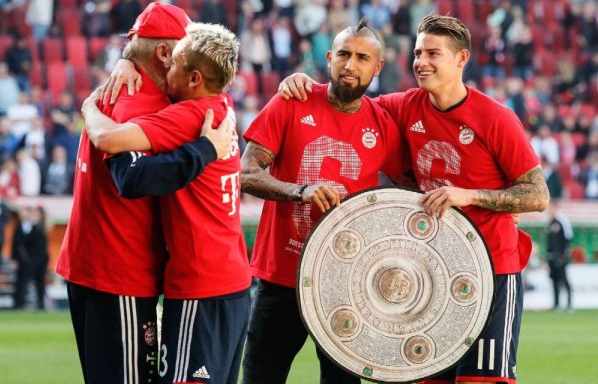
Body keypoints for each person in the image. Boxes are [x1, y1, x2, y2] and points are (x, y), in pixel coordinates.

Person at [279, 13, 550, 384]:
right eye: (419, 53)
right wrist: (307, 84)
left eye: (433, 54)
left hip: (492, 270)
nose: (421, 62)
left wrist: (468, 196)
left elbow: (537, 195)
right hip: (431, 271)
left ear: (461, 59)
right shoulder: (404, 106)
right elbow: (348, 97)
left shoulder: (496, 118)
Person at [55, 4, 231, 384]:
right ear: (166, 54)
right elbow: (131, 177)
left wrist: (121, 64)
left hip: (92, 266)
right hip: (121, 274)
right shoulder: (144, 103)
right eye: (186, 48)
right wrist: (204, 151)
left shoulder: (121, 90)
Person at [240, 18, 410, 384]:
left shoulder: (382, 124)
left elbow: (413, 188)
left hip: (344, 282)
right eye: (344, 55)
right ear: (330, 57)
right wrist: (299, 190)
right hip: (282, 277)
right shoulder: (291, 101)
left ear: (377, 67)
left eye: (363, 58)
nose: (351, 65)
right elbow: (247, 172)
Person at [12, 203, 49, 310]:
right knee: (21, 282)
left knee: (40, 283)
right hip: (24, 261)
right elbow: (15, 245)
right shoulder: (19, 227)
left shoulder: (38, 226)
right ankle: (18, 304)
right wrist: (14, 259)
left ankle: (41, 305)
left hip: (39, 260)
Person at [546, 201, 573, 310]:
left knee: (564, 280)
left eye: (551, 210)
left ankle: (569, 304)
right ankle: (556, 304)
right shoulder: (550, 224)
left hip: (560, 256)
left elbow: (568, 238)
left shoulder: (563, 222)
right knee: (554, 281)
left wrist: (563, 254)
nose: (549, 212)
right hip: (551, 256)